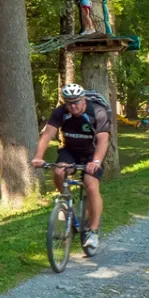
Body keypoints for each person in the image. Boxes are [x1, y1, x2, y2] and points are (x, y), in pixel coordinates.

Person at [31, 83, 111, 257]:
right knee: (59, 171)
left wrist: (96, 160)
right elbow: (47, 135)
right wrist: (38, 157)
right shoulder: (61, 112)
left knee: (91, 185)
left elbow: (103, 140)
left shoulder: (97, 112)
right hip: (71, 152)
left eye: (76, 102)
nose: (73, 106)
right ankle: (67, 203)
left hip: (92, 154)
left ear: (83, 100)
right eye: (69, 103)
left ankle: (93, 231)